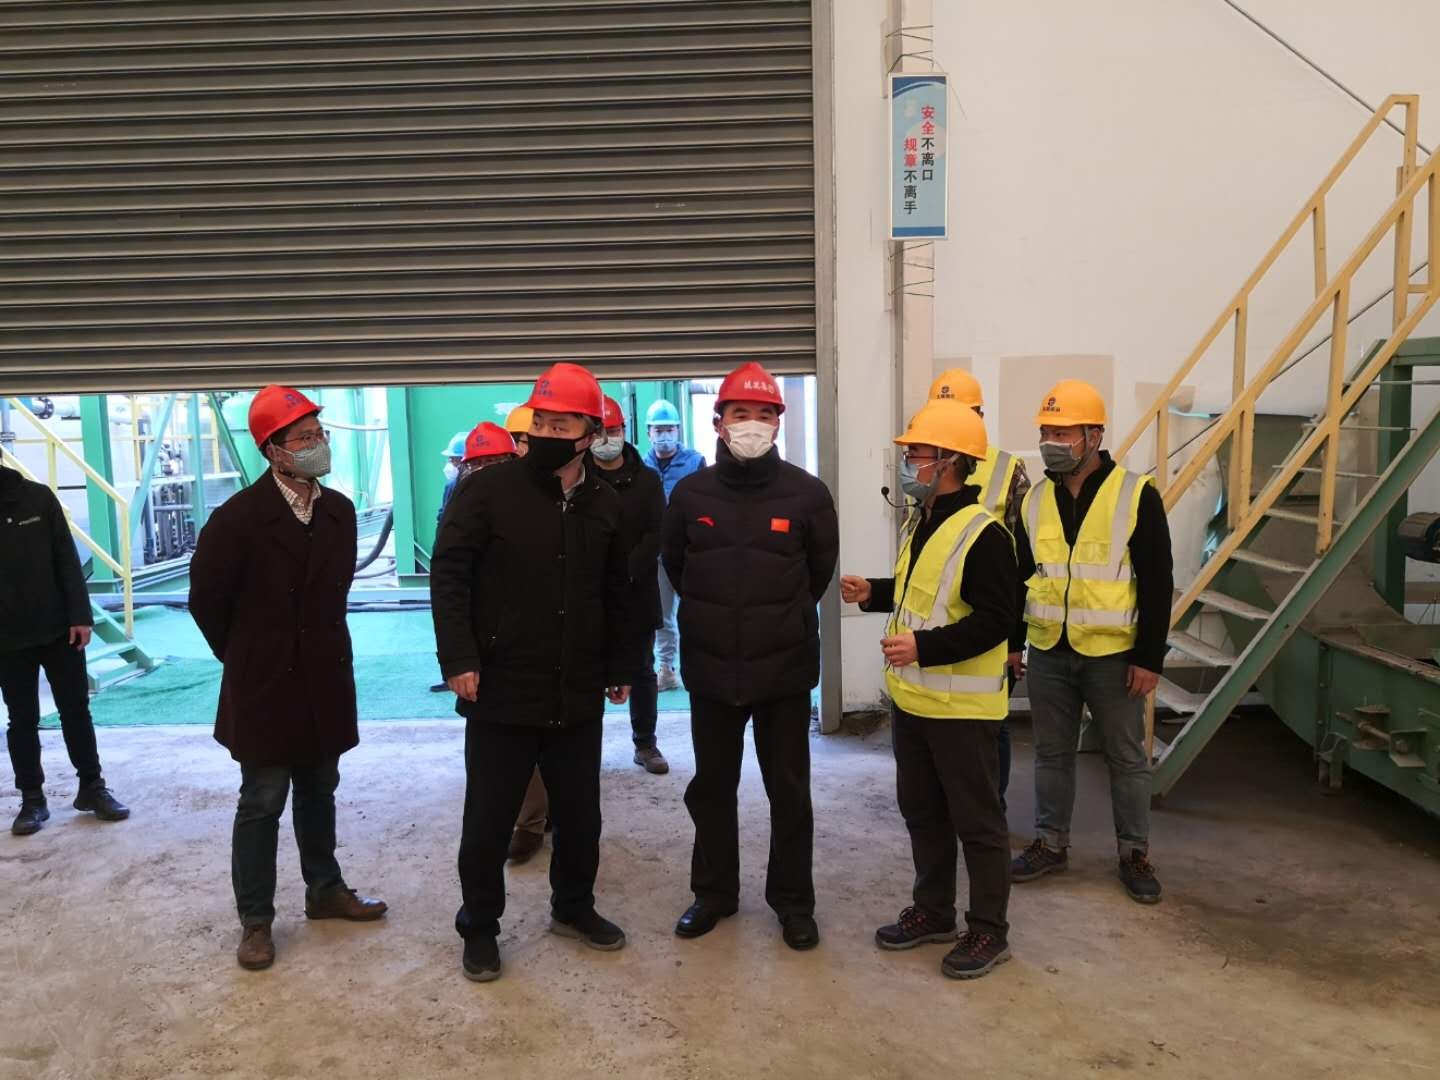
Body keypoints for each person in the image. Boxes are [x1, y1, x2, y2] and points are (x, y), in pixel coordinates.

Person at [431, 362, 637, 983]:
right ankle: (479, 927)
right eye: (539, 422)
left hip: (577, 685)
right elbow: (450, 574)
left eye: (560, 424)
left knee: (581, 814)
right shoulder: (488, 491)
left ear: (590, 433)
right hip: (501, 684)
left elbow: (617, 590)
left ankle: (573, 907)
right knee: (488, 818)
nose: (545, 433)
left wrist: (620, 664)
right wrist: (459, 658)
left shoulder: (605, 503)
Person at [190, 385, 387, 972]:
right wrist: (245, 657)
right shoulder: (237, 519)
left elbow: (334, 595)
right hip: (265, 682)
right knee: (262, 800)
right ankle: (256, 920)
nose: (317, 445)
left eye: (319, 434)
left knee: (320, 789)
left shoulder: (339, 512)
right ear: (273, 450)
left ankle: (325, 890)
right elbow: (207, 602)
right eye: (304, 437)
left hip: (323, 675)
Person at [663, 362, 838, 951]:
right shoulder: (690, 494)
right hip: (712, 669)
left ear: (778, 424)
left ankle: (793, 902)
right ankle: (713, 893)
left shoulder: (807, 494)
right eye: (741, 414)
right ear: (719, 422)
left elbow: (817, 574)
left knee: (788, 791)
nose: (753, 425)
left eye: (765, 415)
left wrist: (777, 620)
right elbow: (678, 567)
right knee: (712, 787)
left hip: (783, 670)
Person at [839, 399, 1016, 980]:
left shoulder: (984, 534)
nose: (906, 461)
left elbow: (997, 620)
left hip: (962, 709)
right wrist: (876, 591)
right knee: (923, 813)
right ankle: (934, 912)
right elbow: (925, 592)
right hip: (915, 701)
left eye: (915, 452)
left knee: (978, 823)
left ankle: (988, 930)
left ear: (948, 460)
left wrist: (924, 648)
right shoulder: (925, 519)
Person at [1008, 380, 1173, 904]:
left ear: (1094, 436)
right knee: (1051, 754)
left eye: (1063, 433)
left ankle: (1134, 853)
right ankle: (1050, 843)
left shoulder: (1136, 494)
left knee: (1125, 757)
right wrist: (1014, 644)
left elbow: (1158, 580)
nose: (1051, 442)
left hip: (1114, 655)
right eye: (1046, 432)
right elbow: (1022, 576)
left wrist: (1149, 657)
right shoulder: (1035, 499)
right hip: (1049, 651)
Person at [506, 395, 667, 865]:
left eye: (615, 431)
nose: (608, 439)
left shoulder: (646, 481)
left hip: (633, 591)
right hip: (579, 598)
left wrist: (623, 570)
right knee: (570, 682)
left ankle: (644, 743)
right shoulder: (572, 478)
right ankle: (545, 803)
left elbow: (656, 533)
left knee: (638, 670)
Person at [1, 446, 129, 836]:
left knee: (75, 710)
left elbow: (66, 559)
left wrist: (80, 616)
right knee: (22, 719)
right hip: (7, 638)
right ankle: (32, 800)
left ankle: (92, 787)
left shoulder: (37, 498)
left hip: (59, 628)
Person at [927, 368, 1030, 810]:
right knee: (937, 725)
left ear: (980, 417)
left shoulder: (1007, 470)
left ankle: (992, 808)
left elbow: (1022, 563)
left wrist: (1015, 642)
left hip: (988, 623)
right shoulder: (927, 466)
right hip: (936, 624)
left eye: (962, 413)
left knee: (992, 723)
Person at [643, 399, 705, 691]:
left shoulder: (695, 462)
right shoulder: (641, 466)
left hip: (690, 550)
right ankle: (666, 669)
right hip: (657, 551)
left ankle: (702, 666)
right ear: (649, 433)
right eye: (659, 430)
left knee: (697, 608)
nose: (664, 435)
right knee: (663, 614)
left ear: (679, 430)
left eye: (669, 429)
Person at [437, 431, 468, 525]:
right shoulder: (451, 486)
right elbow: (442, 517)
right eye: (450, 460)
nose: (450, 464)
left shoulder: (482, 486)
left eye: (454, 460)